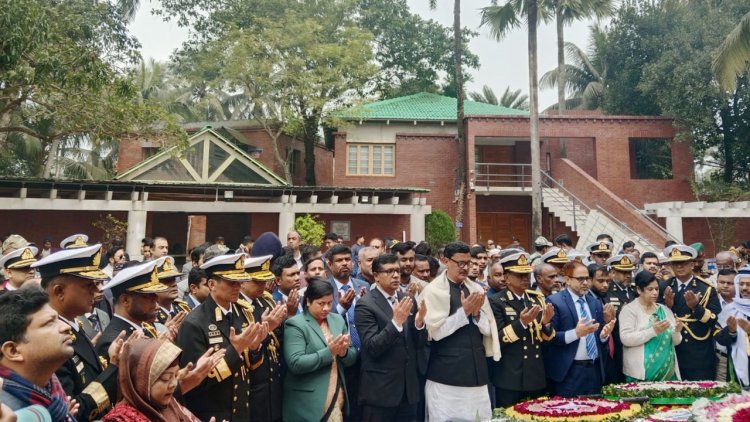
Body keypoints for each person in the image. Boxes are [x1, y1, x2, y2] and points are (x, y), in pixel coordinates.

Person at [33, 244, 121, 422]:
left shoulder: (75, 325)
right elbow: (72, 412)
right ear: (59, 291)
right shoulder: (48, 339)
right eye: (88, 285)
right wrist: (113, 368)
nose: (96, 291)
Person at [175, 253, 268, 421]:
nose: (237, 287)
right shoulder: (194, 323)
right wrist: (236, 349)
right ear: (211, 284)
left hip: (241, 412)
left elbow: (250, 367)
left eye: (239, 282)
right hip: (211, 415)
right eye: (231, 282)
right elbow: (194, 382)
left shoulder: (242, 313)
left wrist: (254, 349)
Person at [420, 241, 500, 421]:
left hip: (477, 375)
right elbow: (434, 334)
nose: (465, 268)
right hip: (446, 377)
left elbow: (489, 330)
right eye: (460, 263)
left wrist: (477, 313)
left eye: (468, 263)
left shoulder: (475, 288)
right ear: (445, 260)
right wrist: (463, 313)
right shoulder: (433, 291)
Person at [354, 254, 427, 421]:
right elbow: (372, 347)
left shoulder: (406, 299)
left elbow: (417, 344)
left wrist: (419, 324)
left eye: (397, 271)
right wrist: (396, 323)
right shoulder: (365, 304)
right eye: (389, 271)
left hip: (408, 390)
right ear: (376, 276)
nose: (395, 275)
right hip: (381, 391)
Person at [283, 278, 358, 422]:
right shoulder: (296, 324)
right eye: (321, 304)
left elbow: (352, 356)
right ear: (308, 301)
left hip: (336, 395)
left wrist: (343, 353)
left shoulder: (337, 320)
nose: (326, 308)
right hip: (308, 402)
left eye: (330, 303)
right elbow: (295, 363)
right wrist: (329, 352)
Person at [490, 252, 555, 407]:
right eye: (520, 275)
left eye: (527, 274)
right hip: (510, 375)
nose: (525, 278)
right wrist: (522, 324)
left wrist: (546, 323)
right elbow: (497, 339)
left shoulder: (535, 299)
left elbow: (547, 339)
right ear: (506, 277)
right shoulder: (497, 301)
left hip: (535, 374)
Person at [0, 289, 76, 420]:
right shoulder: (6, 411)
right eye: (49, 322)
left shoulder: (51, 392)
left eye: (58, 319)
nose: (66, 327)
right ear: (13, 350)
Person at [544, 261, 616, 397]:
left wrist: (604, 335)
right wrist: (576, 333)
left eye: (587, 278)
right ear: (567, 280)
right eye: (580, 279)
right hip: (569, 371)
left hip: (594, 370)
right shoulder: (555, 301)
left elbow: (599, 336)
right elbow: (550, 337)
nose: (585, 283)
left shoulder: (594, 302)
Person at [658, 244, 721, 380]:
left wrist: (695, 308)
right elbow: (654, 316)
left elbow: (713, 319)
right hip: (672, 350)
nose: (679, 267)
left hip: (698, 352)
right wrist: (668, 306)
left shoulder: (706, 288)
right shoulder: (663, 286)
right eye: (675, 263)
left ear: (692, 264)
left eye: (683, 263)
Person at [102, 339, 200, 422]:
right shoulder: (121, 419)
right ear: (140, 381)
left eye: (176, 375)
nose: (174, 384)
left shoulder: (170, 405)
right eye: (166, 378)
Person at [241, 255, 287, 422]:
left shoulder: (266, 301)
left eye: (264, 281)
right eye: (257, 282)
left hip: (273, 378)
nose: (263, 285)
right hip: (252, 382)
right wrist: (267, 329)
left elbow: (280, 337)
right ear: (243, 281)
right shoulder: (237, 307)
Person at [326, 244, 368, 421]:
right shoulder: (323, 289)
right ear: (329, 264)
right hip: (340, 358)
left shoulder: (364, 286)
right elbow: (322, 321)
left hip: (366, 359)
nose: (344, 264)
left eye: (347, 260)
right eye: (339, 261)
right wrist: (341, 308)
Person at [619, 271, 682, 381]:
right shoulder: (629, 310)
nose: (655, 293)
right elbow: (626, 339)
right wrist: (652, 331)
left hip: (667, 372)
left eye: (657, 289)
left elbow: (675, 342)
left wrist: (677, 331)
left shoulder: (665, 310)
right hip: (640, 374)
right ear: (639, 290)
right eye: (650, 289)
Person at [716, 266, 750, 386]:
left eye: (748, 284)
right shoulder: (731, 309)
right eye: (741, 284)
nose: (744, 288)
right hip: (735, 366)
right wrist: (731, 331)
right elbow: (720, 339)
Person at [154, 257, 190, 324]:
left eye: (174, 280)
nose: (174, 284)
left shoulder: (183, 307)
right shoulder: (151, 314)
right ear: (154, 286)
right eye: (167, 281)